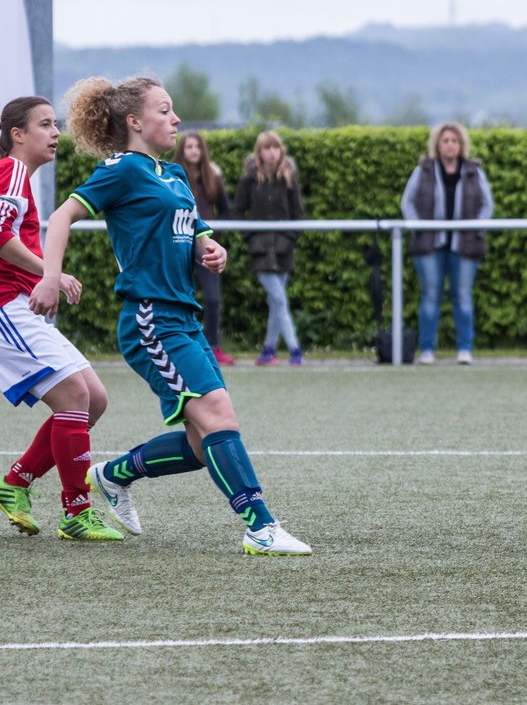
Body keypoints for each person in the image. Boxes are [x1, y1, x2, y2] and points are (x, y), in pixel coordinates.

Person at [32, 76, 310, 554]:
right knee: (219, 417)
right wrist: (50, 276)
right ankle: (259, 527)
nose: (176, 118)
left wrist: (210, 247)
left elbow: (196, 230)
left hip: (185, 318)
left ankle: (113, 475)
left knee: (205, 444)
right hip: (150, 321)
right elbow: (61, 218)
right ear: (135, 121)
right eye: (164, 110)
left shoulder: (175, 175)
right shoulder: (121, 170)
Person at [0, 96, 121, 541]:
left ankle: (15, 482)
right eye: (46, 124)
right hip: (5, 307)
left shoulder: (20, 178)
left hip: (17, 304)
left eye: (56, 124)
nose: (56, 133)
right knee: (74, 396)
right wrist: (51, 273)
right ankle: (77, 512)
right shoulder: (12, 171)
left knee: (95, 399)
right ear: (17, 134)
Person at [400, 122, 494, 365]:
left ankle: (465, 348)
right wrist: (418, 227)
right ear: (437, 145)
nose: (450, 145)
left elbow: (487, 206)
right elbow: (407, 203)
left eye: (454, 140)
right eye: (445, 140)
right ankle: (427, 349)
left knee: (462, 296)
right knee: (430, 296)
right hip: (430, 245)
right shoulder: (424, 170)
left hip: (464, 245)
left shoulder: (473, 170)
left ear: (461, 144)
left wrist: (477, 229)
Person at [234, 131, 305, 366]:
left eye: (275, 147)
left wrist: (289, 238)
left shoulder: (288, 178)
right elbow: (238, 212)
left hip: (284, 250)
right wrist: (250, 236)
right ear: (259, 152)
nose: (271, 152)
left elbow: (298, 215)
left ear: (281, 150)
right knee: (279, 299)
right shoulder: (249, 180)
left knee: (276, 302)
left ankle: (268, 349)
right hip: (260, 251)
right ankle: (295, 348)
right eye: (267, 148)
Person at [176, 131, 234, 366]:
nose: (193, 151)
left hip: (204, 248)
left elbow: (227, 210)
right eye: (188, 147)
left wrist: (214, 237)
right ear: (183, 150)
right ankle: (182, 345)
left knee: (212, 299)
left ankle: (213, 346)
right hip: (178, 245)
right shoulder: (174, 177)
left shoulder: (213, 178)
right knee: (179, 297)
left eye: (196, 147)